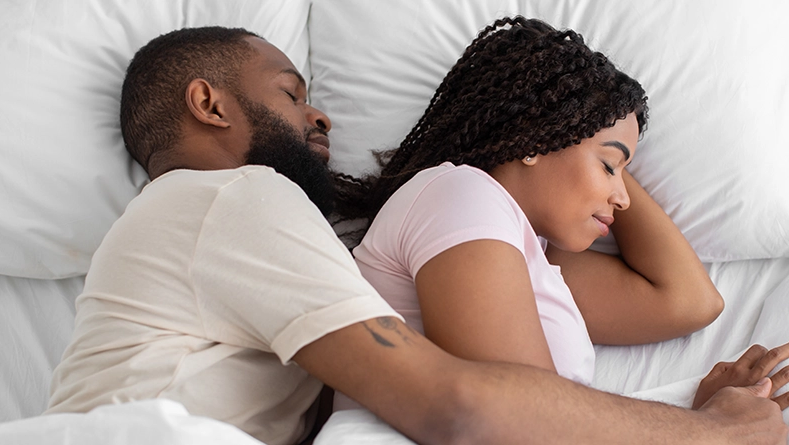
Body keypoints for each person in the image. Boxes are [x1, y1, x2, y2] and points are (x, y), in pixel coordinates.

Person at [45, 26, 788, 445]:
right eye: (291, 93)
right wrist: (712, 435)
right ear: (208, 103)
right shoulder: (232, 198)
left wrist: (597, 141)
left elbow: (687, 301)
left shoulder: (244, 227)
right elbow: (460, 405)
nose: (322, 116)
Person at [332, 15, 764, 412]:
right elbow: (521, 421)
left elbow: (689, 302)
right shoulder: (460, 196)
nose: (624, 198)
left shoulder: (529, 253)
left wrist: (597, 145)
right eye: (610, 165)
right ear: (537, 142)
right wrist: (702, 431)